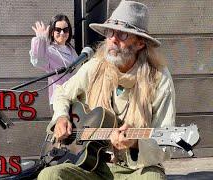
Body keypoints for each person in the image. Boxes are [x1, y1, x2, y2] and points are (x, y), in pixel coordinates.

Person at [38, 1, 175, 179]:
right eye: (110, 32)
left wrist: (135, 142)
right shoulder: (95, 66)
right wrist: (62, 117)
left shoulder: (158, 78)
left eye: (123, 34)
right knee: (50, 175)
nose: (113, 39)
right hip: (92, 165)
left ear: (140, 43)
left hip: (136, 169)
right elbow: (62, 92)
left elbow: (167, 143)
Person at [29, 14, 78, 112]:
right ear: (52, 32)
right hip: (59, 101)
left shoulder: (71, 49)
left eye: (65, 29)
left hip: (75, 98)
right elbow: (38, 61)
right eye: (58, 30)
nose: (62, 33)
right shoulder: (49, 50)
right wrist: (40, 40)